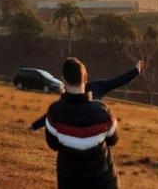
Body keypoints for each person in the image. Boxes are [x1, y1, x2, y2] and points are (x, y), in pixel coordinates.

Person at [42, 57, 119, 189]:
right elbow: (113, 140)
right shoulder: (103, 112)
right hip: (104, 183)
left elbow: (53, 144)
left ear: (64, 81)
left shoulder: (54, 113)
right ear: (85, 78)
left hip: (70, 183)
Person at [29, 60, 144, 132]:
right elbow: (117, 81)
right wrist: (135, 71)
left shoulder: (62, 104)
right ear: (85, 77)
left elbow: (50, 115)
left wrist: (34, 126)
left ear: (64, 81)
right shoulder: (97, 88)